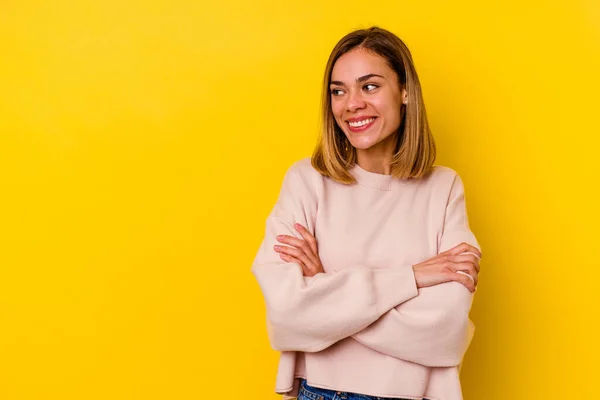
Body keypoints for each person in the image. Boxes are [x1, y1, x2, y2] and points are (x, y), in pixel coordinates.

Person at [251, 26, 482, 400]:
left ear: (405, 91)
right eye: (338, 91)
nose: (351, 104)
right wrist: (412, 278)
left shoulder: (444, 188)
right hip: (323, 393)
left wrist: (327, 289)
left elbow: (446, 329)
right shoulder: (307, 182)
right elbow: (286, 313)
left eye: (369, 86)